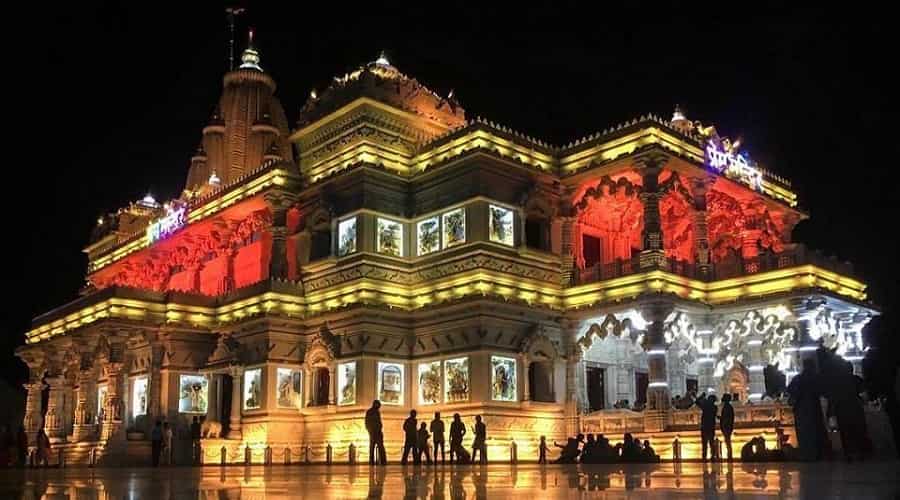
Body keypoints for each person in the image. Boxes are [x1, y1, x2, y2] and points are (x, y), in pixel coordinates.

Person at [787, 359, 827, 461]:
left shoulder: (798, 379)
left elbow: (790, 390)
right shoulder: (816, 378)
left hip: (801, 411)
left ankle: (807, 454)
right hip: (814, 409)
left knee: (804, 433)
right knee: (816, 431)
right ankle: (817, 454)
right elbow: (823, 391)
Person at [365, 400, 387, 465]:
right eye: (378, 405)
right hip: (373, 433)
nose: (379, 407)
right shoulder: (370, 412)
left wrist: (380, 428)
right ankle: (372, 461)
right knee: (372, 448)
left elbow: (379, 422)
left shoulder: (377, 412)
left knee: (380, 447)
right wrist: (370, 431)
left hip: (378, 432)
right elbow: (367, 423)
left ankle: (383, 461)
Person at [697, 394, 717, 461]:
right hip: (711, 427)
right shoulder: (714, 407)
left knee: (705, 443)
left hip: (705, 427)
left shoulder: (706, 406)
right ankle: (712, 456)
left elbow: (697, 402)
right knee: (711, 443)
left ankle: (704, 457)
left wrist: (701, 396)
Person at [720, 393, 735, 461]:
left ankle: (729, 456)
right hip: (728, 427)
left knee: (728, 442)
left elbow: (726, 418)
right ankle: (729, 456)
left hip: (726, 427)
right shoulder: (729, 407)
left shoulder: (727, 407)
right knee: (728, 442)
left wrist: (721, 420)